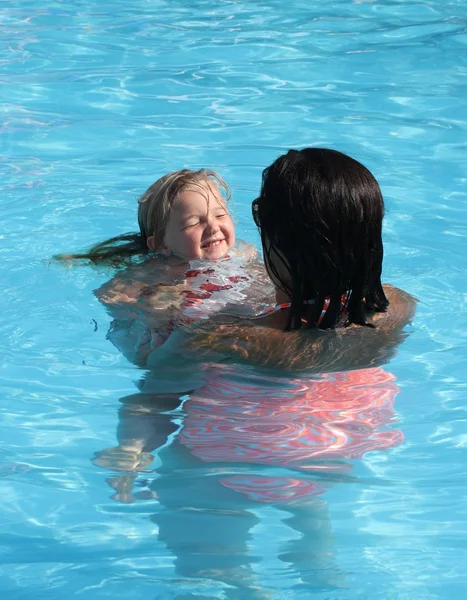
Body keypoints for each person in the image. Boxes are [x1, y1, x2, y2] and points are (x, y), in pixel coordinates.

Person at [94, 148, 417, 595]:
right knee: (302, 485)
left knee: (205, 549)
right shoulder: (394, 307)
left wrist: (131, 447)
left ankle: (230, 578)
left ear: (273, 233)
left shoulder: (222, 337)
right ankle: (317, 560)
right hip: (333, 446)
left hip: (234, 457)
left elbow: (157, 389)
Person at [56, 168, 273, 364]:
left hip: (220, 337)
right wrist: (153, 308)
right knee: (157, 393)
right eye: (194, 223)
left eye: (220, 214)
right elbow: (108, 294)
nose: (213, 227)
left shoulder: (244, 253)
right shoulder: (158, 269)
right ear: (161, 244)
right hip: (167, 345)